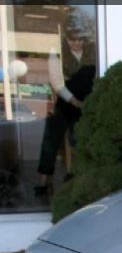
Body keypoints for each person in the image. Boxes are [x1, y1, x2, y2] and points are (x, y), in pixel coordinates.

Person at [36, 25, 96, 195]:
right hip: (66, 100)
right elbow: (57, 83)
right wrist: (74, 102)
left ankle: (79, 175)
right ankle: (44, 179)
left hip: (86, 102)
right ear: (66, 39)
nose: (76, 43)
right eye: (72, 40)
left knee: (81, 138)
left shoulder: (94, 52)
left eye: (80, 40)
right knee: (51, 135)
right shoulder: (57, 53)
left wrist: (87, 103)